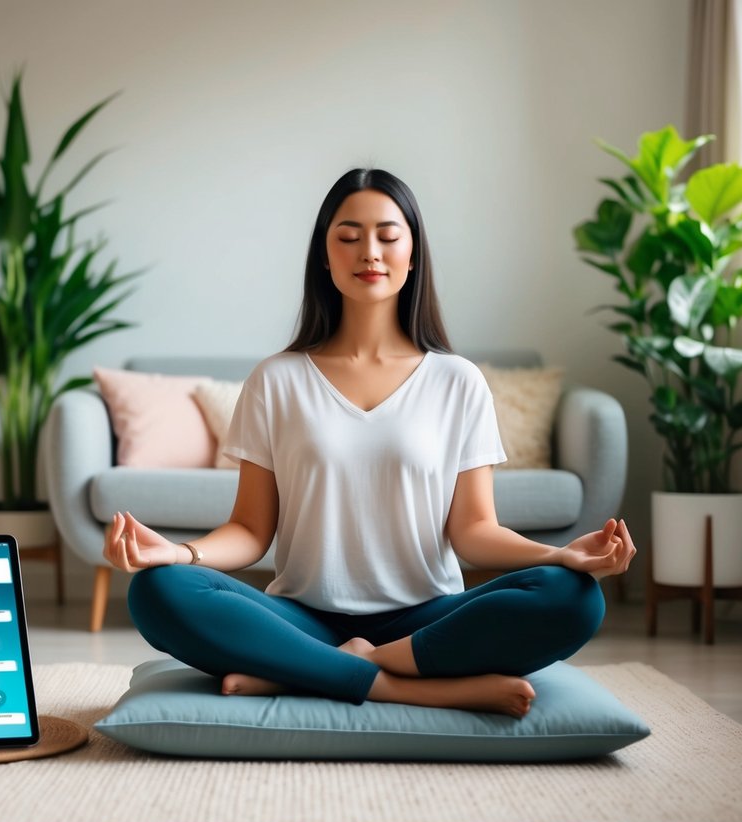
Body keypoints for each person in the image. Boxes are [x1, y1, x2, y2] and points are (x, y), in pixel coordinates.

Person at [105, 168, 635, 717]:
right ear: (324, 257)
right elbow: (250, 530)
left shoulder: (458, 381)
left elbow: (474, 532)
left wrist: (560, 554)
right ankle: (404, 685)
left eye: (387, 235)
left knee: (572, 598)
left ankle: (310, 670)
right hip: (303, 617)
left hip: (426, 617)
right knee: (157, 591)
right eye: (349, 236)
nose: (370, 253)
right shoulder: (276, 379)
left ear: (413, 254)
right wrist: (178, 553)